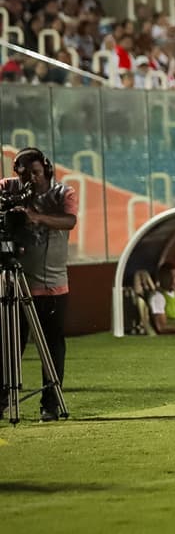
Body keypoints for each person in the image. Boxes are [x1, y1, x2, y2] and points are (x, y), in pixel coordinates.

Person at [0, 148, 77, 422]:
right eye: (25, 174)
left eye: (36, 172)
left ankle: (50, 404)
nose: (32, 179)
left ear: (46, 169)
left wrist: (36, 217)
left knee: (52, 345)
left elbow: (70, 220)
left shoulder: (62, 192)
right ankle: (3, 399)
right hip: (14, 283)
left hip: (52, 284)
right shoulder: (8, 188)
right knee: (9, 345)